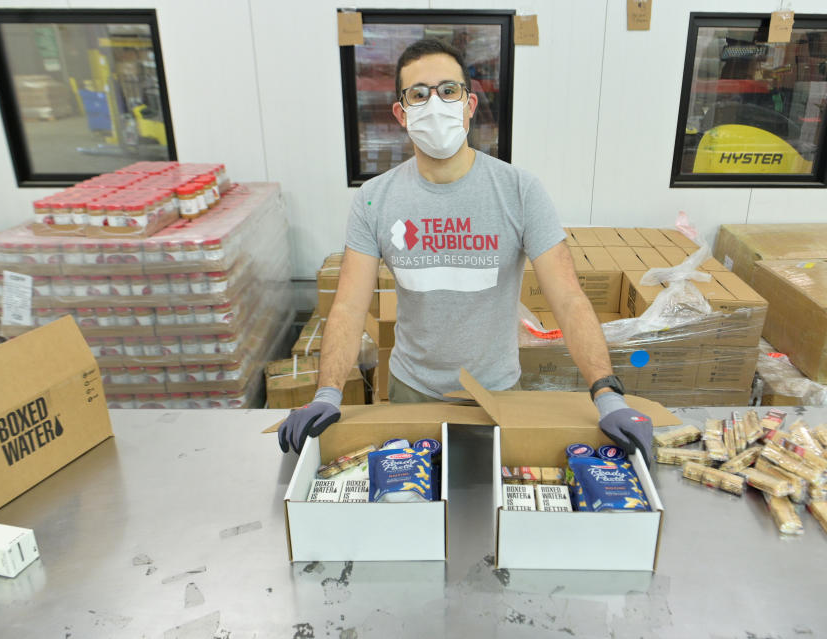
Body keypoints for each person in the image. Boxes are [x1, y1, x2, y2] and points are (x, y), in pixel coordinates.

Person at [278, 39, 652, 461]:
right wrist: (327, 393)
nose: (434, 103)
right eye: (419, 94)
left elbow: (567, 297)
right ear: (402, 114)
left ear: (469, 105)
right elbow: (347, 306)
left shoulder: (519, 191)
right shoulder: (373, 199)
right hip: (410, 390)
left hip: (497, 392)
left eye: (448, 91)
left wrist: (607, 393)